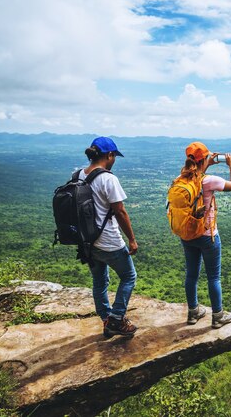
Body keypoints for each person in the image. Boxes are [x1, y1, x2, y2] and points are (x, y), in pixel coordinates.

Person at [174, 142, 231, 327]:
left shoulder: (181, 179)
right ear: (203, 160)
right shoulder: (209, 181)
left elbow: (195, 173)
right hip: (208, 235)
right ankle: (218, 316)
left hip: (187, 234)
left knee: (191, 275)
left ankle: (193, 313)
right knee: (213, 277)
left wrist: (206, 163)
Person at [81, 136, 139, 337]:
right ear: (109, 155)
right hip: (109, 242)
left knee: (99, 282)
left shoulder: (78, 174)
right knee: (129, 276)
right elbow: (120, 211)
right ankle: (115, 319)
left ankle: (107, 320)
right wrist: (131, 239)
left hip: (87, 243)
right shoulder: (108, 178)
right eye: (114, 157)